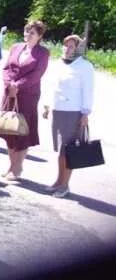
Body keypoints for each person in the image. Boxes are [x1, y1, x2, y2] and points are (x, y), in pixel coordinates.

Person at [42, 35, 94, 198]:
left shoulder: (84, 67)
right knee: (60, 150)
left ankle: (65, 186)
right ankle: (58, 181)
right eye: (65, 46)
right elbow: (51, 85)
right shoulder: (58, 64)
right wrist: (46, 105)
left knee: (68, 150)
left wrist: (85, 113)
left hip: (73, 112)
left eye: (71, 46)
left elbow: (88, 91)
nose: (66, 49)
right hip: (58, 111)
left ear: (78, 49)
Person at [0, 21, 50, 182]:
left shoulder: (43, 53)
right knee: (8, 128)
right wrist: (9, 84)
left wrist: (18, 86)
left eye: (32, 33)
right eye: (26, 31)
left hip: (28, 95)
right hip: (10, 94)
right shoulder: (16, 47)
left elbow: (37, 74)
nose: (28, 35)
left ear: (40, 36)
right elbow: (6, 68)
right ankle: (10, 165)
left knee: (22, 130)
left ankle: (17, 167)